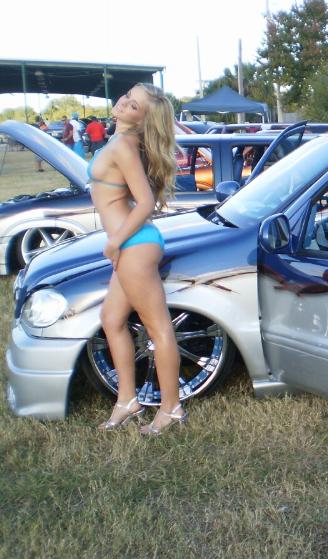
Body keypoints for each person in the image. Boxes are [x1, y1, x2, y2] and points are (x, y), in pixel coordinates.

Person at [92, 83, 185, 435]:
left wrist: (115, 241)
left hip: (133, 245)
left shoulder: (124, 147)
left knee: (158, 328)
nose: (124, 103)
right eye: (127, 97)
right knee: (111, 318)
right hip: (132, 243)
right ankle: (127, 401)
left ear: (143, 119)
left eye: (134, 106)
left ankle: (171, 408)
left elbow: (145, 202)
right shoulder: (122, 142)